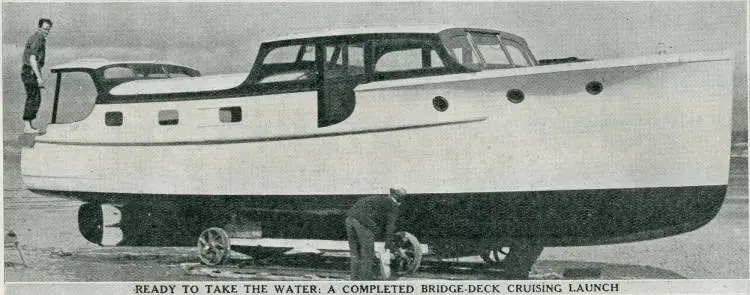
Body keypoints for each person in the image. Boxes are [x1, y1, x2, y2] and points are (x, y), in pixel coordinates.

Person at [345, 187, 406, 280]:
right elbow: (390, 226)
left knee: (355, 253)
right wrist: (388, 243)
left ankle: (354, 279)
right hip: (363, 222)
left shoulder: (379, 199)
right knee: (368, 254)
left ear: (390, 194)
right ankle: (366, 281)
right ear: (400, 199)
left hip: (349, 219)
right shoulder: (393, 205)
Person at [21, 18, 53, 134]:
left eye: (48, 30)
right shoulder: (38, 38)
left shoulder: (39, 38)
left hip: (29, 71)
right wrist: (39, 78)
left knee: (34, 97)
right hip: (30, 71)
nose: (47, 32)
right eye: (45, 29)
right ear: (39, 28)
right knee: (33, 98)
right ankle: (27, 126)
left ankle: (28, 126)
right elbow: (32, 59)